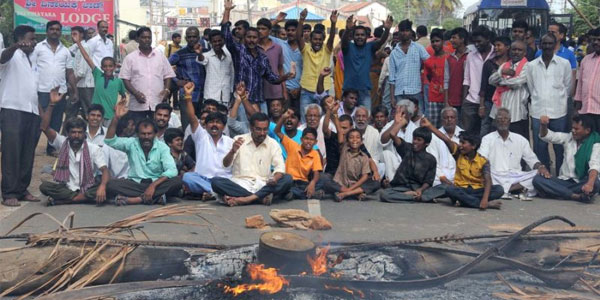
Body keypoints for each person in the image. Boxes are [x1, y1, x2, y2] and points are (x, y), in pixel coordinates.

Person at [39, 88, 109, 206]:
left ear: (84, 134)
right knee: (44, 186)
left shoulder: (93, 148)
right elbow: (44, 128)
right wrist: (51, 104)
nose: (76, 135)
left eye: (79, 132)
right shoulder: (62, 143)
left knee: (107, 186)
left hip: (88, 186)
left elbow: (105, 170)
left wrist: (102, 186)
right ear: (68, 133)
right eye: (73, 132)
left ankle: (65, 201)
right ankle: (82, 199)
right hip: (66, 187)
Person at [104, 100, 182, 206]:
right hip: (135, 183)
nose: (146, 137)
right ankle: (156, 197)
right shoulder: (132, 143)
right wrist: (116, 118)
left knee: (177, 181)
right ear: (137, 134)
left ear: (155, 134)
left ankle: (137, 199)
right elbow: (110, 141)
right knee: (111, 185)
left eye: (149, 134)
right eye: (143, 134)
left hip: (156, 183)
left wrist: (153, 186)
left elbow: (172, 170)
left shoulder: (162, 147)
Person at [221, 1, 293, 114]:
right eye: (248, 37)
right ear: (244, 38)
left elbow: (272, 78)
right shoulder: (238, 51)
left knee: (263, 128)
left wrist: (285, 77)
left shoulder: (263, 58)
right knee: (243, 129)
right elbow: (225, 32)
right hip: (241, 100)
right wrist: (227, 10)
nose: (251, 40)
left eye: (254, 37)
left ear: (258, 39)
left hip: (259, 100)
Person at [211, 112, 293, 206]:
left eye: (265, 130)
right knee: (216, 182)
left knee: (288, 179)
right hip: (240, 184)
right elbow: (225, 165)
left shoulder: (273, 144)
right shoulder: (239, 140)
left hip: (264, 184)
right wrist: (232, 151)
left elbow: (280, 167)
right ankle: (259, 199)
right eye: (258, 129)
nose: (262, 133)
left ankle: (247, 199)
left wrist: (274, 178)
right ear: (251, 128)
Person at [421, 118, 504, 209]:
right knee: (450, 189)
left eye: (463, 143)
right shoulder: (458, 154)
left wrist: (485, 198)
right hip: (460, 189)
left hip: (477, 190)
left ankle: (463, 201)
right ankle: (479, 203)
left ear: (473, 146)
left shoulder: (483, 161)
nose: (460, 145)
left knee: (499, 189)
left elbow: (488, 181)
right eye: (460, 142)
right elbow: (446, 140)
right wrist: (430, 126)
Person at [0, 25, 41, 207]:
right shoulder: (10, 54)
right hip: (12, 109)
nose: (34, 43)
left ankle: (22, 189)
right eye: (31, 39)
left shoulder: (31, 58)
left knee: (27, 153)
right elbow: (2, 58)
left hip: (31, 111)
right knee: (12, 153)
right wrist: (16, 46)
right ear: (21, 39)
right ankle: (9, 192)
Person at [527, 33, 573, 173]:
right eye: (544, 43)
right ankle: (543, 175)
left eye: (550, 43)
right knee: (540, 146)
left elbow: (568, 86)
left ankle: (560, 175)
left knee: (559, 147)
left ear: (555, 45)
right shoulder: (532, 65)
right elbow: (531, 87)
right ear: (540, 45)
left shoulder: (564, 64)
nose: (547, 46)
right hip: (538, 112)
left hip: (559, 112)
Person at [479, 108, 548, 199]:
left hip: (515, 177)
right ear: (495, 121)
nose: (502, 121)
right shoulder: (487, 139)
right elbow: (481, 158)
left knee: (537, 175)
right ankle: (513, 189)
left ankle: (506, 190)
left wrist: (540, 167)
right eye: (499, 119)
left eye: (505, 118)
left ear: (510, 121)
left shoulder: (520, 140)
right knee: (483, 175)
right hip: (495, 176)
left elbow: (532, 159)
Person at [31, 21, 78, 156]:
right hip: (41, 91)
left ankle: (51, 149)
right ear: (47, 31)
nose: (55, 31)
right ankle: (31, 147)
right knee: (38, 121)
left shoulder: (65, 51)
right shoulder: (38, 48)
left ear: (61, 32)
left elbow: (69, 72)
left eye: (58, 29)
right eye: (52, 29)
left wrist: (74, 90)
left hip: (60, 93)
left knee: (56, 121)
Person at [181, 82, 234, 200]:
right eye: (211, 122)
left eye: (218, 122)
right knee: (187, 178)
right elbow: (192, 118)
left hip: (223, 180)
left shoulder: (230, 141)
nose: (214, 125)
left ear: (224, 126)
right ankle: (216, 194)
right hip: (202, 179)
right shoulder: (201, 136)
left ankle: (212, 192)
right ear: (205, 125)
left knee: (234, 181)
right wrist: (188, 96)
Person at [532, 115, 600, 202]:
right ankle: (575, 196)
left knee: (596, 183)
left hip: (580, 182)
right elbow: (547, 136)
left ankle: (557, 192)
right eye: (572, 128)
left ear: (587, 130)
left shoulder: (596, 144)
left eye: (576, 129)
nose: (573, 131)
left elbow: (594, 166)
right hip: (563, 180)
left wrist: (589, 184)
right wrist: (543, 125)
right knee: (537, 180)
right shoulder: (568, 137)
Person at [72, 29, 126, 127]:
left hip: (110, 115)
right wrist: (79, 43)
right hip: (96, 115)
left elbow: (124, 96)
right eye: (105, 66)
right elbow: (87, 58)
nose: (108, 68)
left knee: (107, 138)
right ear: (101, 68)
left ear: (115, 67)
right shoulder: (98, 75)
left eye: (110, 66)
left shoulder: (118, 82)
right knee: (95, 135)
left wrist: (119, 105)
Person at [120, 27, 176, 123]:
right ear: (138, 39)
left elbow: (168, 75)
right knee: (137, 132)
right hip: (137, 106)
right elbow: (125, 79)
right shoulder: (130, 58)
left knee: (156, 132)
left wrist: (167, 90)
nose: (147, 40)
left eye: (149, 38)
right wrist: (136, 93)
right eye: (143, 37)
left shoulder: (160, 56)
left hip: (157, 103)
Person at [380, 120, 443, 203]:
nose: (415, 142)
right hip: (400, 187)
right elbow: (392, 134)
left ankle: (416, 196)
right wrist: (401, 122)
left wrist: (420, 190)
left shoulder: (431, 159)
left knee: (444, 188)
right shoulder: (407, 148)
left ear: (426, 143)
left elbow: (428, 181)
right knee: (384, 194)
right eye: (414, 139)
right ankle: (416, 197)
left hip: (417, 188)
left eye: (419, 140)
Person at [341, 15, 392, 110]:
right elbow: (343, 42)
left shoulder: (370, 47)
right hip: (349, 92)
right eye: (357, 35)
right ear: (353, 36)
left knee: (365, 118)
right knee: (348, 120)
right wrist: (347, 29)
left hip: (364, 91)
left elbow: (380, 42)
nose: (360, 37)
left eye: (362, 35)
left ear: (366, 36)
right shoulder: (348, 47)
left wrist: (387, 30)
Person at [297, 8, 338, 121]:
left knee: (324, 120)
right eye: (315, 39)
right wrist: (301, 20)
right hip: (306, 90)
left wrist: (333, 23)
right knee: (305, 120)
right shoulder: (305, 49)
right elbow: (298, 37)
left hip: (323, 91)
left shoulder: (327, 49)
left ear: (323, 40)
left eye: (320, 39)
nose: (317, 42)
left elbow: (331, 38)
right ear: (310, 39)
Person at [320, 128, 380, 202]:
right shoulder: (344, 150)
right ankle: (355, 193)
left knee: (376, 183)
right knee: (323, 178)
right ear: (347, 141)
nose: (354, 140)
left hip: (355, 184)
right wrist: (335, 117)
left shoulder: (364, 157)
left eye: (358, 137)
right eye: (351, 137)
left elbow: (364, 177)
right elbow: (340, 139)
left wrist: (350, 189)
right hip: (341, 184)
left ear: (361, 141)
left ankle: (345, 194)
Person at [274, 110, 323, 199]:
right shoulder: (292, 145)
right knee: (285, 181)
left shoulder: (315, 154)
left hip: (303, 182)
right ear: (301, 139)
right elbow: (277, 131)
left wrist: (312, 183)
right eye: (306, 138)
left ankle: (292, 193)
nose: (308, 141)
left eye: (311, 140)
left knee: (321, 181)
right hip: (289, 180)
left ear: (315, 142)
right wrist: (283, 118)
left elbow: (316, 172)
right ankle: (304, 194)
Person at [487, 40, 530, 139]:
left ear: (525, 53)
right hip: (499, 109)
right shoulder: (505, 65)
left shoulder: (528, 66)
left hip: (516, 113)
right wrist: (501, 72)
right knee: (497, 140)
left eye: (520, 50)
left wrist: (500, 82)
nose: (516, 52)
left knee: (516, 142)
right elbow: (491, 80)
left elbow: (517, 82)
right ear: (510, 51)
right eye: (514, 49)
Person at [388, 19, 429, 110]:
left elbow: (428, 63)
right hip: (399, 92)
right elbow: (392, 78)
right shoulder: (394, 53)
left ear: (411, 33)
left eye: (407, 30)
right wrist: (392, 97)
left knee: (417, 121)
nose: (404, 33)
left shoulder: (419, 48)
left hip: (415, 91)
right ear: (399, 33)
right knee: (401, 120)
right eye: (402, 31)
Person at [169, 27, 205, 130]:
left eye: (194, 37)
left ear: (198, 37)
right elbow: (164, 67)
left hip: (203, 95)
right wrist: (176, 81)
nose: (192, 39)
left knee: (202, 127)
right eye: (189, 37)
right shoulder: (180, 53)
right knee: (187, 127)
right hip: (187, 95)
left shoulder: (205, 52)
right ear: (186, 38)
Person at [462, 25, 495, 135]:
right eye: (475, 42)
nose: (477, 44)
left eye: (479, 41)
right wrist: (464, 101)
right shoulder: (470, 56)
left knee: (486, 135)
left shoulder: (496, 54)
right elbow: (466, 79)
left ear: (488, 39)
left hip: (490, 101)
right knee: (468, 135)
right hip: (471, 100)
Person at [479, 36, 511, 137]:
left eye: (499, 45)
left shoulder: (512, 64)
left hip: (506, 101)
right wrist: (481, 105)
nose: (496, 48)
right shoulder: (489, 64)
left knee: (502, 128)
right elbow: (483, 85)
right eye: (495, 45)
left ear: (507, 47)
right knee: (485, 128)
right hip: (489, 101)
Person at [379, 99, 419, 180]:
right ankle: (392, 184)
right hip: (392, 164)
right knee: (386, 153)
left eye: (402, 113)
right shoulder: (390, 124)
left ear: (410, 115)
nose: (399, 115)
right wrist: (395, 124)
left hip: (409, 164)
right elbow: (382, 141)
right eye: (397, 112)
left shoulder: (415, 129)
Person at [270, 17, 304, 112]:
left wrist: (300, 89)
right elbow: (263, 33)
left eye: (293, 30)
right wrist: (276, 20)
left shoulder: (305, 48)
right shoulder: (280, 44)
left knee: (299, 118)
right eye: (288, 30)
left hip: (301, 90)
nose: (290, 32)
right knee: (285, 117)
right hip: (284, 90)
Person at [425, 107, 463, 186]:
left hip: (460, 177)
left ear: (456, 119)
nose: (449, 120)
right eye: (446, 117)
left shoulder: (464, 135)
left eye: (452, 117)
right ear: (441, 120)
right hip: (439, 178)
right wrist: (443, 178)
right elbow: (433, 162)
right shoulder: (433, 137)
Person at [197, 30, 234, 106]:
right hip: (211, 96)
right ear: (210, 42)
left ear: (223, 40)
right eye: (214, 41)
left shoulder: (229, 55)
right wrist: (199, 53)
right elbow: (202, 60)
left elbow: (232, 74)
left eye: (219, 41)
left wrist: (231, 91)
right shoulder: (207, 55)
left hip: (226, 96)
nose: (217, 43)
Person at [66, 26, 95, 122]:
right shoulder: (76, 47)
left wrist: (72, 84)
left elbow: (82, 72)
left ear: (82, 35)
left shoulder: (85, 47)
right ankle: (66, 135)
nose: (72, 36)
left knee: (89, 113)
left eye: (75, 34)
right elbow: (68, 51)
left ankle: (92, 135)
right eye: (72, 34)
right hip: (77, 85)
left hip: (85, 87)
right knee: (70, 112)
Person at [574, 28, 600, 132]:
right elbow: (580, 86)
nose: (596, 42)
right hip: (586, 112)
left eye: (599, 40)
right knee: (587, 144)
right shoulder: (586, 60)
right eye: (594, 40)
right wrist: (576, 109)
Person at [423, 28, 448, 128]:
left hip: (447, 97)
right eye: (433, 41)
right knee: (433, 126)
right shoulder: (428, 61)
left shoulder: (449, 58)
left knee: (446, 125)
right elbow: (429, 77)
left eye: (437, 41)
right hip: (433, 97)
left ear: (443, 42)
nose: (435, 44)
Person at [257, 18, 286, 102]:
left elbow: (280, 69)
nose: (260, 31)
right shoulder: (253, 47)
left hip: (275, 91)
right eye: (258, 28)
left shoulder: (277, 48)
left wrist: (284, 90)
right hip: (258, 91)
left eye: (263, 29)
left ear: (269, 31)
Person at [444, 27, 470, 117]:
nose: (451, 40)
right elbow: (446, 81)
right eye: (451, 38)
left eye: (454, 37)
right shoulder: (449, 58)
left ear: (462, 39)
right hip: (452, 100)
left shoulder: (470, 56)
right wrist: (446, 101)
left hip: (467, 100)